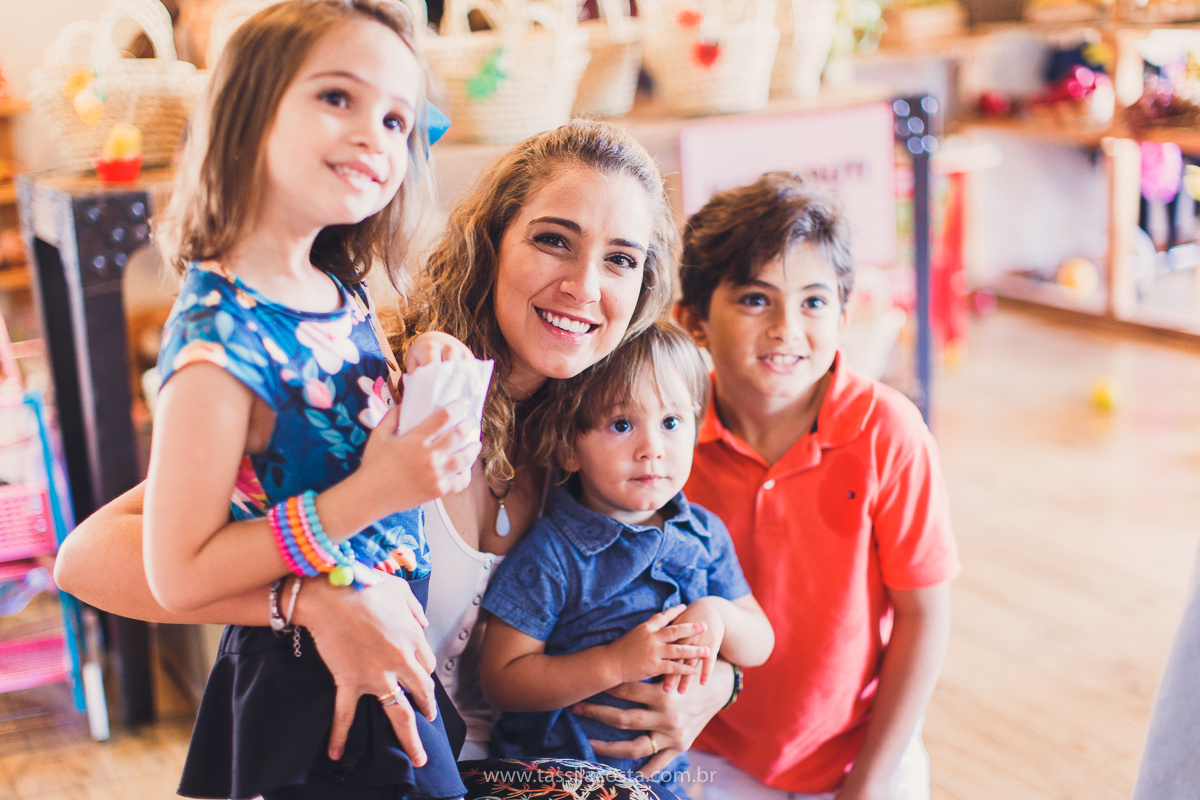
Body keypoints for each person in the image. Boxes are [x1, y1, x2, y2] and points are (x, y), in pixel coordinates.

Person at [54, 121, 732, 796]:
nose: (584, 286)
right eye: (553, 240)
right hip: (361, 767)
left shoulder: (607, 438)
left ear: (644, 289)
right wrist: (305, 597)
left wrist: (717, 687)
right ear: (491, 243)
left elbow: (713, 583)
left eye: (620, 259)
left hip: (508, 770)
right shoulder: (377, 383)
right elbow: (87, 556)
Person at [140, 3, 484, 799]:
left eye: (399, 119)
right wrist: (377, 491)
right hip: (309, 690)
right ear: (248, 109)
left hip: (387, 657)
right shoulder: (218, 340)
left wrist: (418, 368)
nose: (376, 134)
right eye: (339, 98)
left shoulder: (335, 290)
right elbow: (177, 572)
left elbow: (328, 435)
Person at [672, 173, 960, 800]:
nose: (786, 328)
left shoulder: (888, 432)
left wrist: (869, 783)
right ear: (692, 319)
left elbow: (923, 615)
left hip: (863, 752)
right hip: (710, 752)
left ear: (845, 314)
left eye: (813, 301)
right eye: (754, 299)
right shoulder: (666, 442)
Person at [478, 323, 774, 796]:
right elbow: (502, 679)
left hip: (663, 782)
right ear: (568, 449)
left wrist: (718, 616)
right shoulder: (553, 553)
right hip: (550, 783)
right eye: (621, 424)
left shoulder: (704, 534)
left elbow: (760, 642)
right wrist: (614, 663)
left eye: (671, 423)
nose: (652, 448)